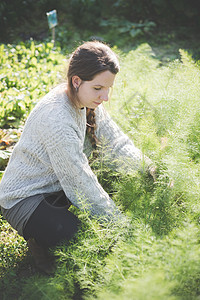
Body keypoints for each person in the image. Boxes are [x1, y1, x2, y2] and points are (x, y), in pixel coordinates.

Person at [0, 41, 155, 274]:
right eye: (98, 88)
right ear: (76, 81)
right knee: (88, 249)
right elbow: (80, 184)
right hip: (24, 199)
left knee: (110, 182)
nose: (105, 97)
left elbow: (116, 143)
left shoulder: (86, 100)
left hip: (56, 187)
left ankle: (46, 235)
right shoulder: (57, 119)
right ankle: (39, 239)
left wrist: (149, 168)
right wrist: (122, 229)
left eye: (108, 88)